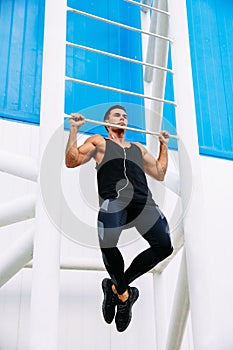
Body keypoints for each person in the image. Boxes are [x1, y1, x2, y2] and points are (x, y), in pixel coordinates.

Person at [65, 105, 173, 332]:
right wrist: (74, 130)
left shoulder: (138, 148)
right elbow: (72, 160)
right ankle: (125, 296)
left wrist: (164, 145)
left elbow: (160, 173)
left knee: (164, 246)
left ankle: (115, 288)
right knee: (107, 242)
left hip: (144, 203)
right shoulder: (99, 142)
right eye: (117, 115)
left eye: (124, 116)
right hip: (114, 201)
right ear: (107, 123)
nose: (122, 118)